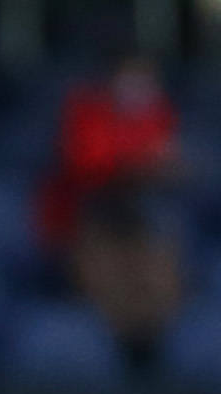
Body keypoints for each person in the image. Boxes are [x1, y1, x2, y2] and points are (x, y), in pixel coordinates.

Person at [42, 54, 183, 353]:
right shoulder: (88, 112)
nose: (138, 89)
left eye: (145, 81)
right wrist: (137, 163)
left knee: (161, 267)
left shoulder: (158, 114)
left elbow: (168, 164)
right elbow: (87, 164)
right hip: (91, 215)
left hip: (142, 215)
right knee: (103, 272)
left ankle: (156, 347)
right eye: (131, 79)